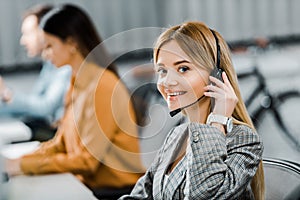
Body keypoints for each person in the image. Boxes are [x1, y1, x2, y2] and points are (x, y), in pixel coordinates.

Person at [5, 4, 144, 192]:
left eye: (50, 46)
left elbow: (87, 161)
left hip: (113, 191)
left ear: (71, 43)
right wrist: (19, 162)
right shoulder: (76, 82)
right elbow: (60, 143)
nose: (45, 54)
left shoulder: (102, 87)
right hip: (86, 185)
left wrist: (23, 166)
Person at [120, 21, 265, 199]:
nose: (167, 82)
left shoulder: (243, 139)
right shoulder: (177, 135)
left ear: (215, 75)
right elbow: (142, 195)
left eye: (183, 69)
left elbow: (202, 194)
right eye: (162, 71)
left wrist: (217, 121)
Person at [0, 4, 71, 141]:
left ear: (44, 33)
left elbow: (45, 107)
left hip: (57, 135)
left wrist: (7, 94)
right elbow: (33, 102)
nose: (22, 40)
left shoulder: (65, 66)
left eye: (27, 33)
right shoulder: (50, 64)